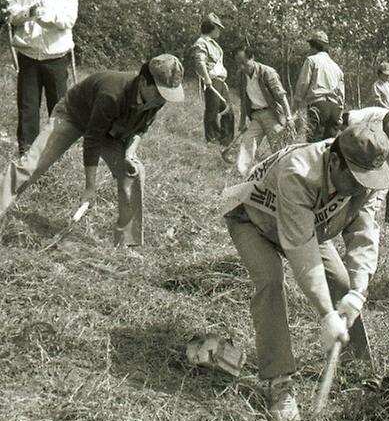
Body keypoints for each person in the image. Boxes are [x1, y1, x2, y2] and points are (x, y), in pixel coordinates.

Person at [221, 122, 389, 421]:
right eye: (355, 178)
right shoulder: (298, 171)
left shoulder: (368, 181)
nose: (360, 187)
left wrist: (357, 292)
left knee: (341, 282)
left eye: (367, 179)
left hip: (308, 228)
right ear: (335, 160)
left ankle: (361, 372)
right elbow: (301, 250)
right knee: (271, 282)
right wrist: (327, 314)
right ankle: (279, 383)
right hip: (254, 221)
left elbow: (364, 235)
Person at [0, 54, 185, 246]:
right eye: (160, 94)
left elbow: (140, 129)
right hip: (73, 115)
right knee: (32, 165)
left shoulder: (155, 100)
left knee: (134, 173)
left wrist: (129, 154)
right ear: (144, 82)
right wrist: (90, 188)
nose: (162, 101)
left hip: (111, 130)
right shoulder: (113, 93)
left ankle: (127, 242)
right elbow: (92, 139)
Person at [5, 0, 78, 157]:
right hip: (28, 59)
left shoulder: (68, 1)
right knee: (28, 109)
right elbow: (12, 17)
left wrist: (45, 18)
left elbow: (67, 21)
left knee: (60, 109)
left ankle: (58, 153)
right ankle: (27, 155)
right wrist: (30, 12)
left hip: (56, 61)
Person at [234, 47, 293, 176]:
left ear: (252, 58)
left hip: (272, 114)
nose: (242, 67)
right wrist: (242, 121)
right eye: (238, 63)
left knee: (279, 147)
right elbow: (244, 100)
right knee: (247, 141)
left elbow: (281, 96)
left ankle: (285, 173)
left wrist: (289, 118)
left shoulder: (267, 72)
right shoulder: (241, 76)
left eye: (244, 63)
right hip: (255, 115)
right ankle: (243, 174)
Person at [293, 30, 345, 142]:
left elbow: (303, 83)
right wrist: (339, 113)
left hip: (319, 106)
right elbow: (341, 94)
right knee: (328, 147)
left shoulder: (311, 60)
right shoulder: (337, 68)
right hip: (334, 108)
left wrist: (295, 106)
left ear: (314, 46)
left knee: (313, 145)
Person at [191, 12, 233, 145]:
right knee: (212, 111)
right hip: (212, 80)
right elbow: (200, 62)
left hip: (220, 81)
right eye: (218, 28)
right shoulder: (201, 42)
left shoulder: (214, 44)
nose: (219, 31)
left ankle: (226, 140)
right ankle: (212, 139)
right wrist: (207, 78)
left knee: (228, 110)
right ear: (211, 27)